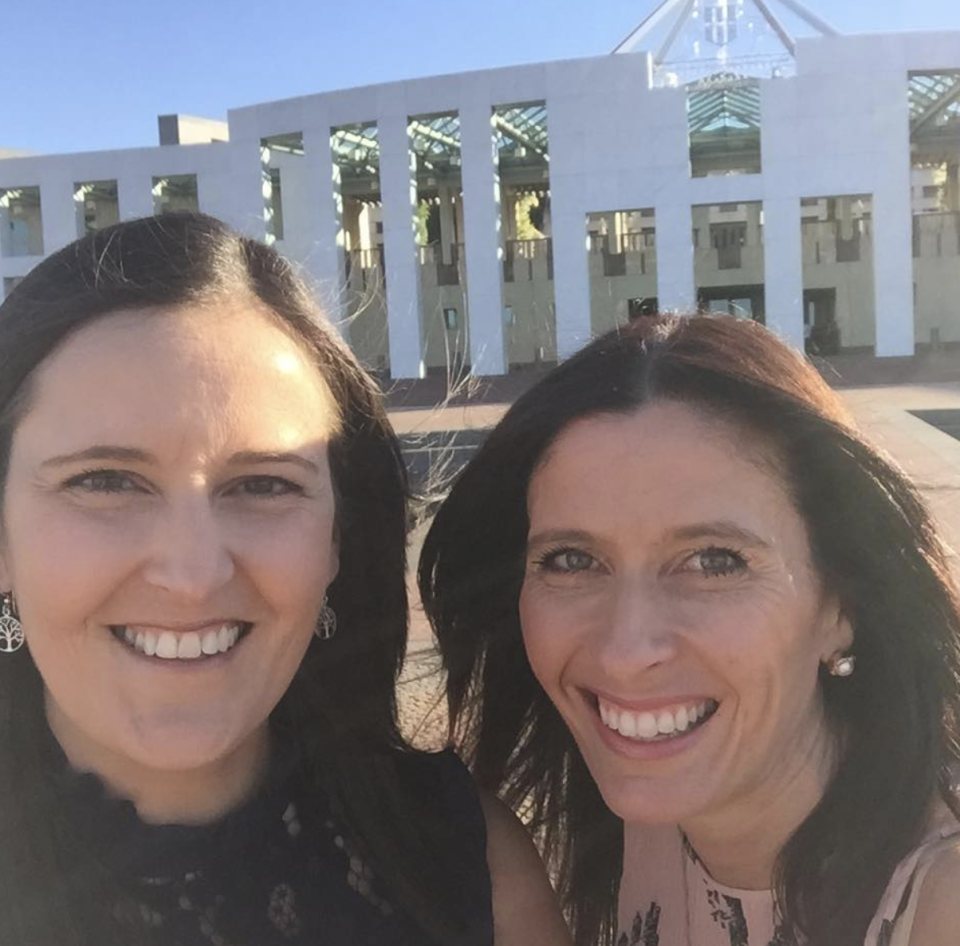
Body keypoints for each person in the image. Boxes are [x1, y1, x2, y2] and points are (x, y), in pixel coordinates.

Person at [0, 213, 570, 946]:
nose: (193, 575)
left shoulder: (466, 862)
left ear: (338, 538)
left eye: (263, 486)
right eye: (106, 481)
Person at [419, 315, 960, 946]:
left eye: (714, 561)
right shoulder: (648, 814)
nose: (625, 652)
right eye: (571, 559)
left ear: (841, 606)